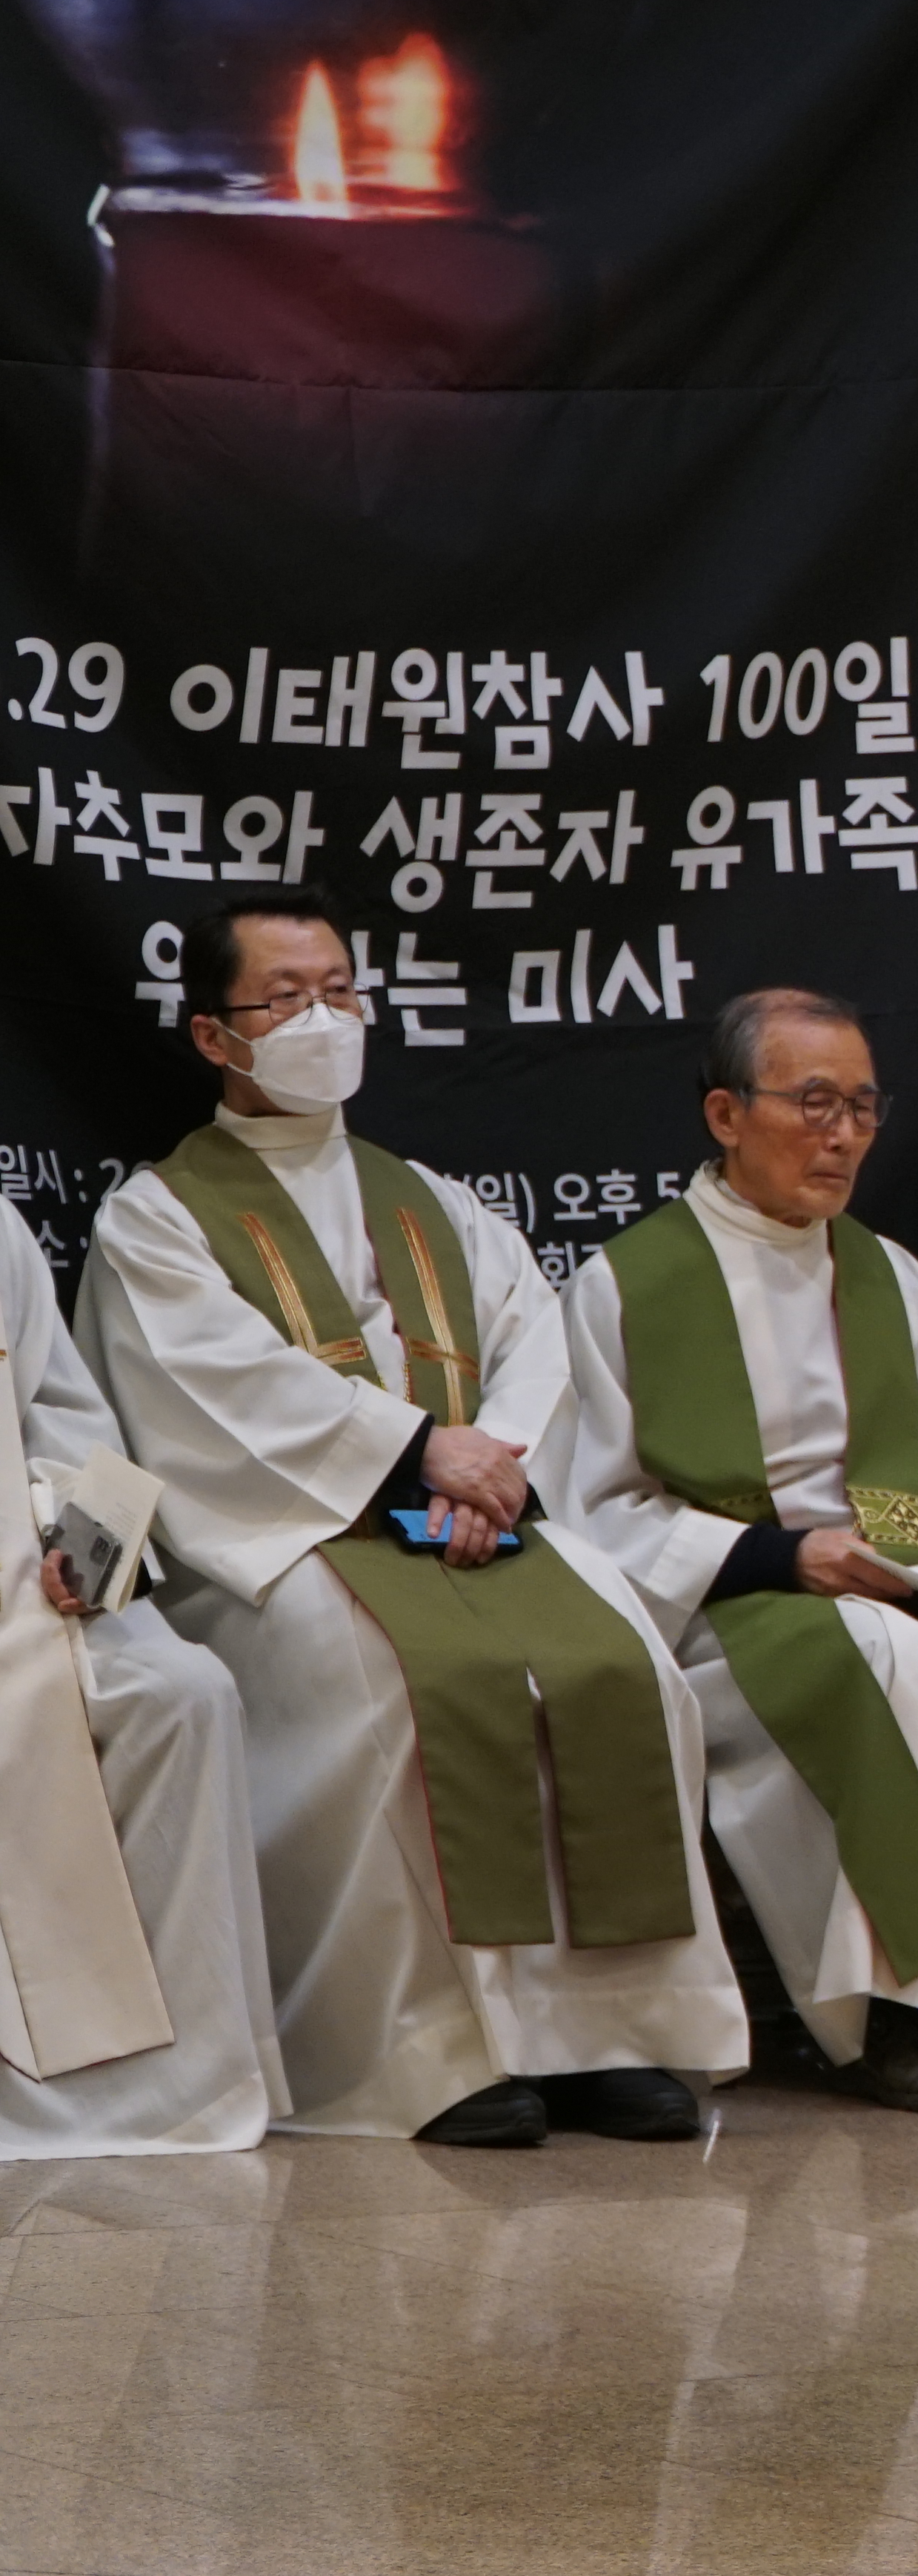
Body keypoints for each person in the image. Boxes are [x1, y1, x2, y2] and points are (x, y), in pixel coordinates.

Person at [76, 894, 746, 2145]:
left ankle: (609, 2035)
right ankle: (436, 2050)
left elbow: (531, 1340)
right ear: (216, 1037)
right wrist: (412, 1456)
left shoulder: (432, 1198)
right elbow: (213, 1390)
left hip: (485, 1517)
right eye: (283, 998)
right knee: (389, 1680)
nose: (320, 1019)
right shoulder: (157, 1219)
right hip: (301, 1539)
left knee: (628, 1664)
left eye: (339, 988)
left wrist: (489, 1472)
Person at [551, 990, 918, 2116]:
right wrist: (790, 1559)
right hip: (724, 1609)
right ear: (726, 1114)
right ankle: (893, 2013)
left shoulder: (888, 1276)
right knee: (880, 1653)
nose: (841, 1136)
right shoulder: (629, 1285)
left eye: (863, 1109)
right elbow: (597, 1510)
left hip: (902, 1588)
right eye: (813, 1103)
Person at [0, 1208, 283, 2157]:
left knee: (184, 1694)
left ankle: (182, 2076)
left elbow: (67, 1419)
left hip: (15, 1584)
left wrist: (78, 1544)